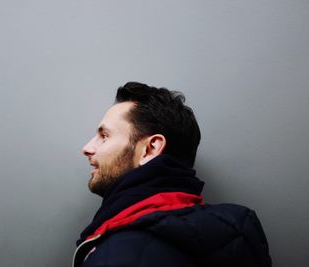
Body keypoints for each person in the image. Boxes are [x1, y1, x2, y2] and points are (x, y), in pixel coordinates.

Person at [73, 82, 271, 267]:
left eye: (104, 136)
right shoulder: (236, 234)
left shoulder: (120, 253)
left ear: (150, 149)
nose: (87, 148)